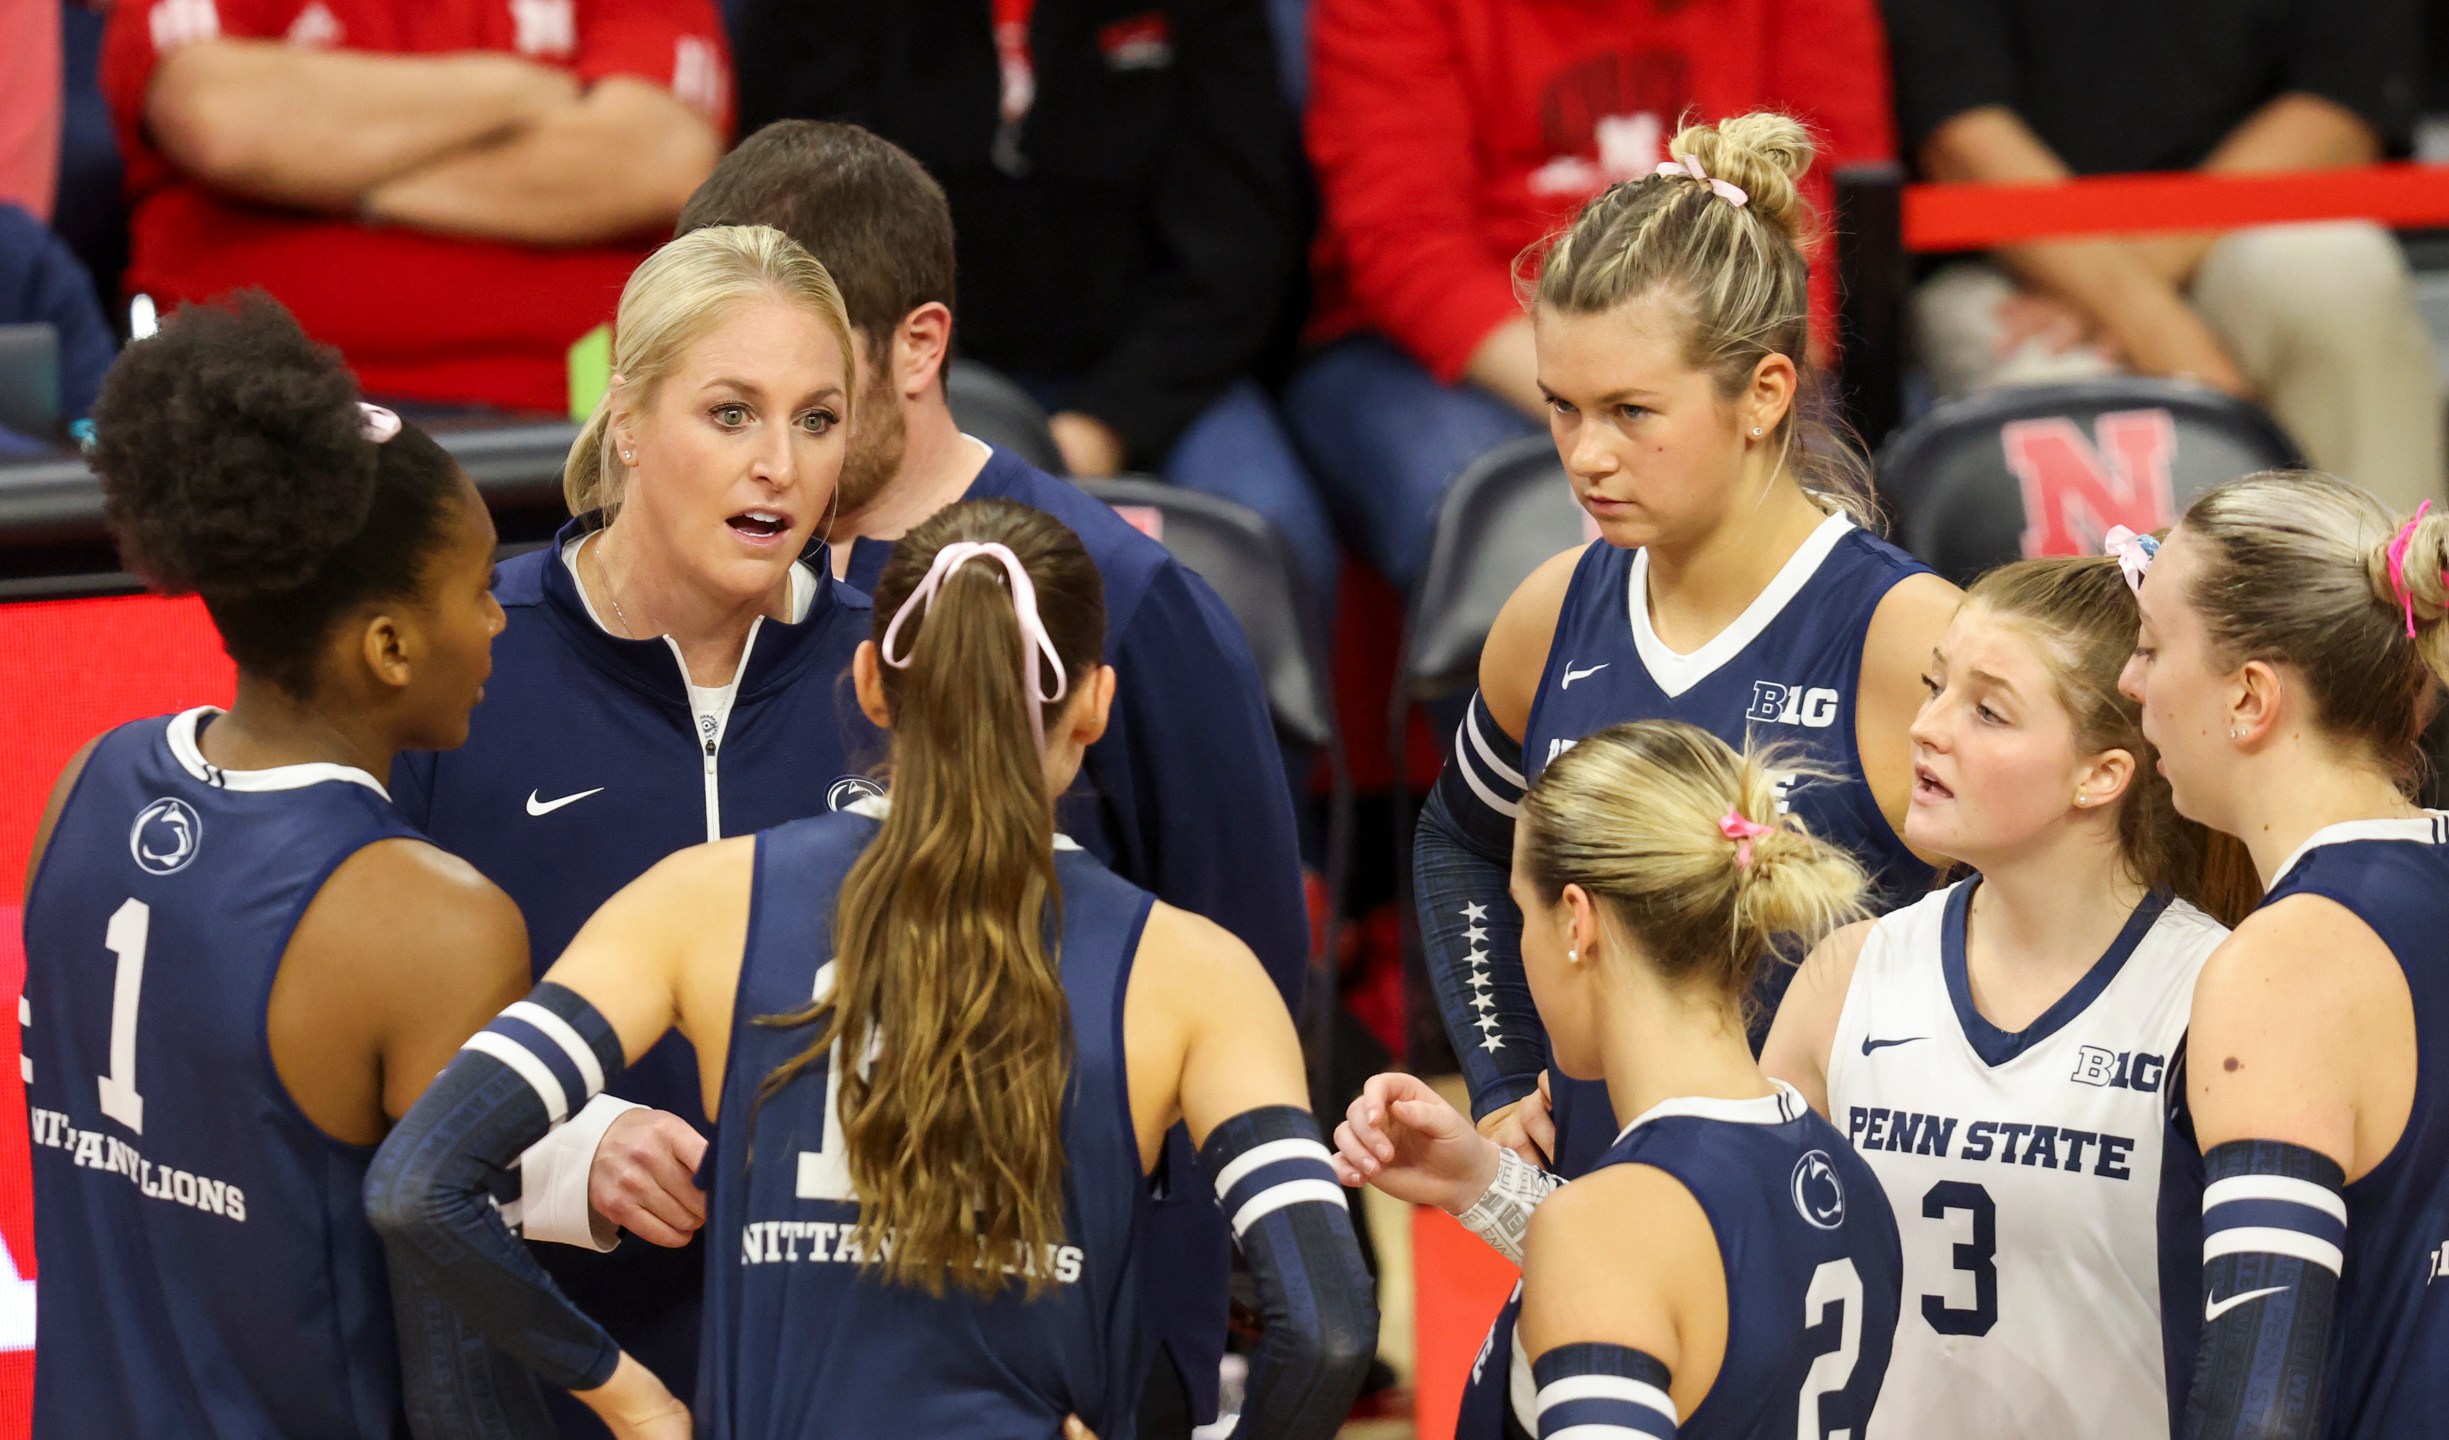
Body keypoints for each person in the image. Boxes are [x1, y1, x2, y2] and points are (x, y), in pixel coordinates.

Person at [367, 499, 1380, 1440]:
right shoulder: (1198, 973)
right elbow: (1328, 1332)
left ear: (867, 683)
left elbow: (420, 1183)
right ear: (1094, 704)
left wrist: (633, 1403)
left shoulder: (697, 902)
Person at [674, 120, 1312, 1434]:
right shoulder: (702, 581)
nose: (760, 433)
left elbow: (1243, 981)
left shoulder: (1123, 606)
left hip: (1055, 1353)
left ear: (917, 346)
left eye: (804, 380)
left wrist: (1157, 1358)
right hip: (755, 1344)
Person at [21, 295, 557, 1434]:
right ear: (390, 647)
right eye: (478, 590)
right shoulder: (432, 924)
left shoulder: (84, 782)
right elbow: (464, 1368)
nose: (500, 621)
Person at [385, 224, 879, 1424]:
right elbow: (346, 1054)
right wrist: (558, 1156)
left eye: (816, 420)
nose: (779, 465)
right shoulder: (463, 666)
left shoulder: (896, 669)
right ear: (627, 422)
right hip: (551, 1368)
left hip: (853, 1368)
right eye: (730, 413)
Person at [1414, 112, 1960, 1181]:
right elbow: (1461, 841)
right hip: (1602, 1222)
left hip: (1834, 1248)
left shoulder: (1906, 638)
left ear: (1763, 393)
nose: (1586, 455)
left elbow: (2041, 943)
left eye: (1630, 410)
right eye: (1561, 408)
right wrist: (1497, 1076)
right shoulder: (1551, 611)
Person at [1764, 552, 2253, 1438]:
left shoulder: (2219, 994)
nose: (1926, 727)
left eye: (1986, 711)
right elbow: (1721, 1257)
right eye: (1933, 686)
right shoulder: (1847, 976)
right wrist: (1487, 1185)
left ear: (2100, 775)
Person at [1335, 720, 1901, 1439]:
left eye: (1519, 911)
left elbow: (1635, 1260)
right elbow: (1703, 1296)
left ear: (1576, 922)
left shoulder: (1610, 1229)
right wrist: (1482, 1184)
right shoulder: (1843, 1172)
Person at [723, 2, 1331, 607]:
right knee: (826, 528)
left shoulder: (1207, 17)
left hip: (1170, 375)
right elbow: (795, 229)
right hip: (905, 370)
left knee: (1273, 533)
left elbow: (1241, 251)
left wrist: (1107, 423)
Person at [1290, 0, 1895, 595]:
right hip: (1461, 357)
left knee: (1858, 502)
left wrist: (1725, 394)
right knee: (1510, 527)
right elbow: (1408, 245)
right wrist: (1603, 400)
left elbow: (1834, 217)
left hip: (1729, 343)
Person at [2120, 472, 2449, 1438]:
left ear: (2250, 695)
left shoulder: (2288, 967)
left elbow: (2257, 1410)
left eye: (2148, 646)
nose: (2128, 682)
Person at [1887, 0, 2443, 511]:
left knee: (2339, 275)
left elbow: (2342, 110)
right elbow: (1958, 133)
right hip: (2010, 263)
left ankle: (2404, 602)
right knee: (2057, 391)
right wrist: (2159, 330)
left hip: (2251, 224)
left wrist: (2134, 297)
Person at [100, 0, 732, 412]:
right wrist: (514, 87)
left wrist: (316, 164)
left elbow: (658, 159)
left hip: (572, 431)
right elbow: (222, 121)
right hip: (257, 419)